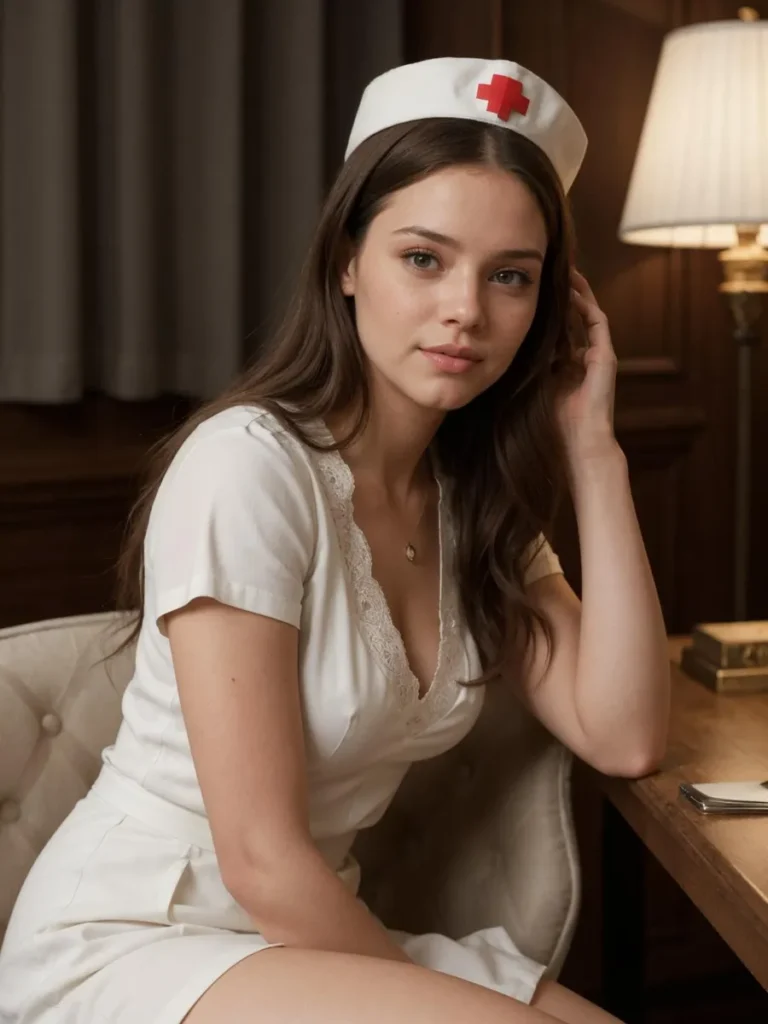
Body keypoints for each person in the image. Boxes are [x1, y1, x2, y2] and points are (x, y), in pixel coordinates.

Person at [0, 56, 671, 1023]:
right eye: (424, 258)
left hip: (305, 936)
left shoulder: (475, 503)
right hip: (140, 937)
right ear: (348, 260)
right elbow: (262, 860)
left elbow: (625, 732)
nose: (466, 312)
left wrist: (594, 447)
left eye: (511, 277)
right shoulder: (247, 467)